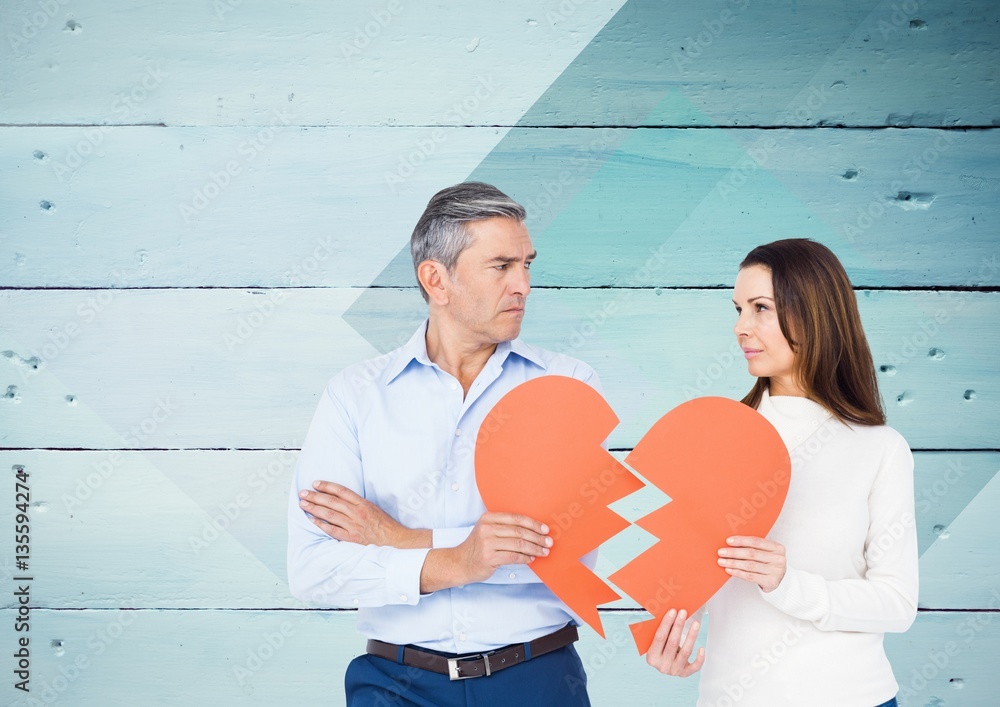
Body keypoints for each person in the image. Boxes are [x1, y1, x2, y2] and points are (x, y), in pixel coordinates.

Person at [287, 182, 598, 706]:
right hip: (393, 684)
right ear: (436, 279)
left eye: (527, 264)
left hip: (537, 680)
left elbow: (566, 556)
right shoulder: (354, 397)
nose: (523, 284)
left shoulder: (567, 386)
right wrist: (461, 558)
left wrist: (395, 537)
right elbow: (314, 571)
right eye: (501, 266)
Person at [645, 239, 918, 707]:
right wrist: (665, 638)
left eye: (761, 308)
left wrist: (787, 583)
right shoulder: (713, 439)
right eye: (737, 309)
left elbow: (896, 604)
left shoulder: (880, 449)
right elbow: (689, 576)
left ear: (814, 314)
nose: (740, 328)